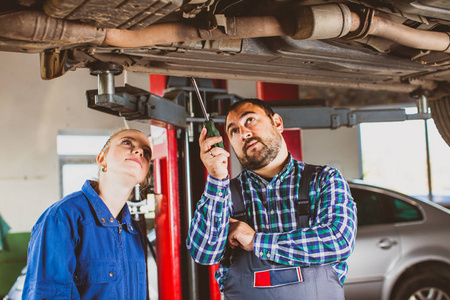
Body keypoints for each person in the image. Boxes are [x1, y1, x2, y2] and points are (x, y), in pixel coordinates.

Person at [187, 98, 357, 299]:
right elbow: (203, 253)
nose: (243, 133)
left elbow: (339, 240)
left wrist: (256, 241)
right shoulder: (225, 194)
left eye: (249, 120)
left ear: (277, 123)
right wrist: (216, 178)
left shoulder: (323, 180)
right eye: (233, 131)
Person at [22, 129, 152, 299]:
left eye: (147, 153)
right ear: (102, 159)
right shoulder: (62, 219)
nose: (139, 151)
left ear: (143, 177)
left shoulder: (133, 231)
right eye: (127, 143)